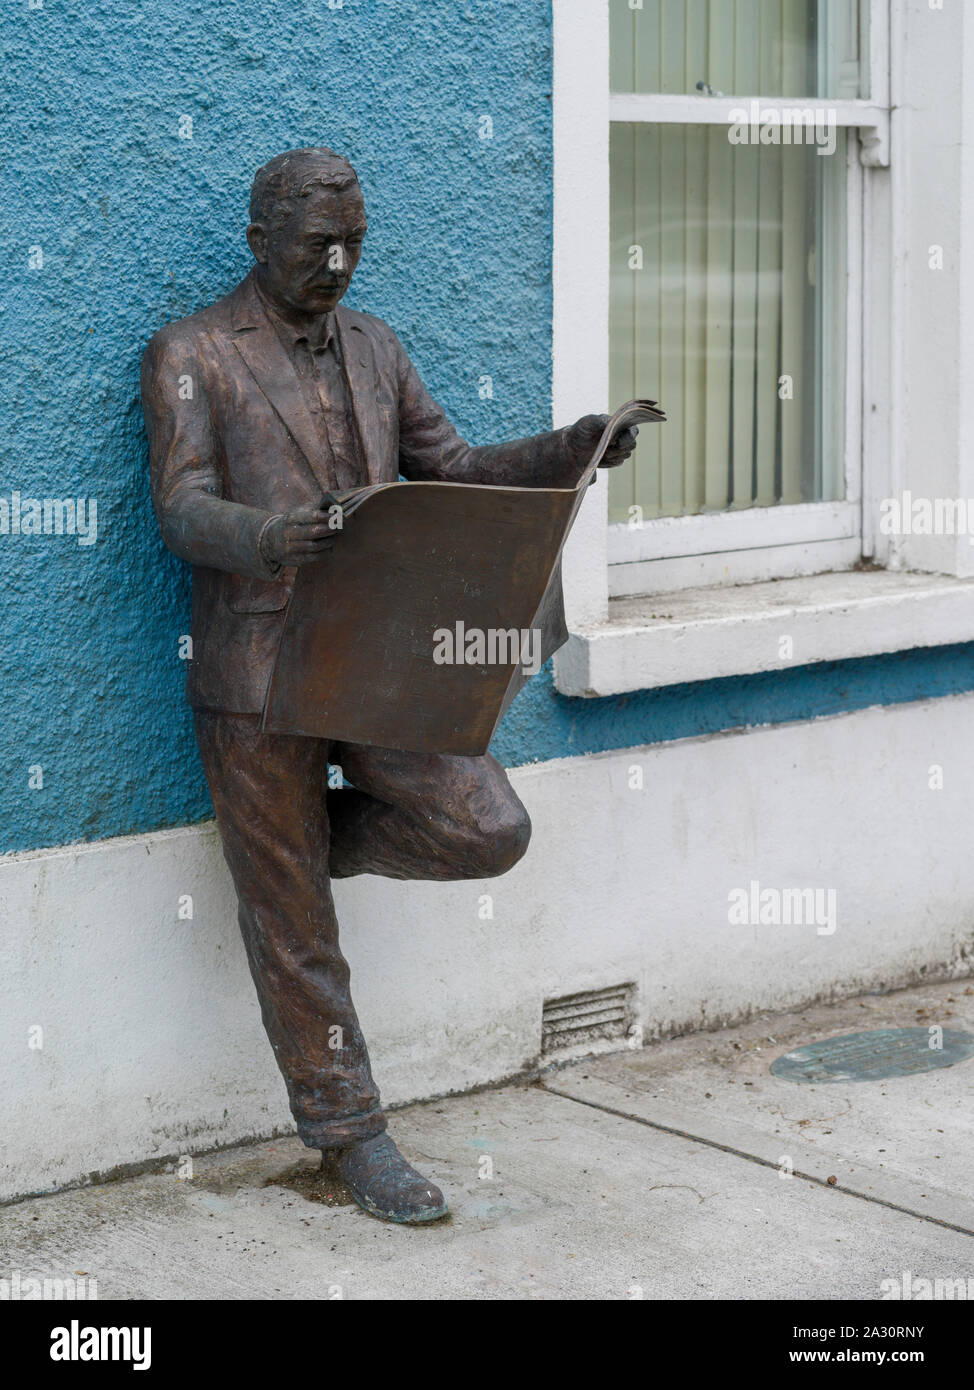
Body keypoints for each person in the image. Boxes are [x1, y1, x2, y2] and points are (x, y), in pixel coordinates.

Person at [141, 147, 637, 1223]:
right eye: (318, 242)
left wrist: (570, 448)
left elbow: (447, 469)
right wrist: (272, 536)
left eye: (354, 242)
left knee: (487, 825)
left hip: (372, 660)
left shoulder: (376, 346)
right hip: (258, 674)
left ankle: (310, 845)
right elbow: (180, 508)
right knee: (293, 925)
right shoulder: (191, 354)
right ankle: (351, 1136)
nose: (337, 261)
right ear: (257, 240)